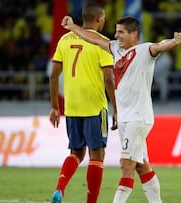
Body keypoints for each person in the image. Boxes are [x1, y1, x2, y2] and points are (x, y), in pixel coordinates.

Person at [61, 15, 181, 203]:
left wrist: (174, 42)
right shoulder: (116, 49)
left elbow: (160, 45)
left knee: (126, 164)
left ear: (134, 34)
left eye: (120, 32)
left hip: (138, 117)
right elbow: (93, 38)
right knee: (142, 166)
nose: (116, 35)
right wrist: (72, 27)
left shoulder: (144, 50)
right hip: (126, 118)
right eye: (116, 31)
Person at [49, 2, 116, 203]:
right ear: (99, 19)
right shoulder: (102, 42)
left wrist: (54, 106)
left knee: (76, 152)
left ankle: (60, 189)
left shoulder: (64, 40)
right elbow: (109, 79)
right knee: (97, 155)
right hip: (95, 105)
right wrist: (116, 108)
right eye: (103, 19)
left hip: (72, 106)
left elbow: (53, 75)